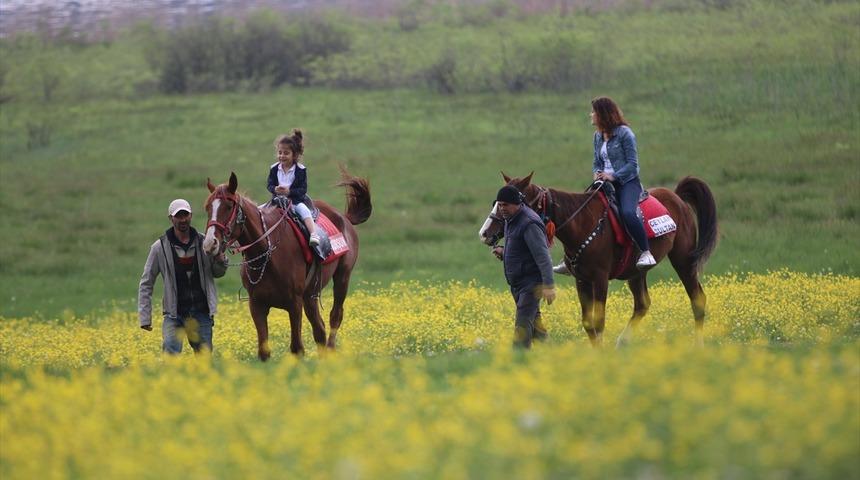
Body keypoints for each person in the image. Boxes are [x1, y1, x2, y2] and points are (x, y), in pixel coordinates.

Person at [554, 96, 655, 275]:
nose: (591, 115)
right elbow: (596, 161)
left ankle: (646, 252)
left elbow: (633, 165)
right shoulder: (597, 136)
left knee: (628, 213)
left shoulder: (625, 134)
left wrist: (612, 175)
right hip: (603, 182)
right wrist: (597, 175)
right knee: (582, 212)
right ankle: (569, 259)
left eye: (593, 111)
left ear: (603, 114)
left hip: (626, 182)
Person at [138, 198, 229, 354]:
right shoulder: (159, 247)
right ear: (171, 218)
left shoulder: (204, 242)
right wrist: (145, 317)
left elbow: (217, 273)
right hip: (174, 314)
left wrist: (221, 260)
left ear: (191, 216)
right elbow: (146, 283)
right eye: (178, 216)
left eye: (185, 215)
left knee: (204, 361)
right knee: (170, 358)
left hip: (202, 312)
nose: (182, 220)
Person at [490, 185, 556, 349]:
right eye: (499, 204)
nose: (502, 208)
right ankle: (554, 358)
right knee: (537, 330)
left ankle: (518, 363)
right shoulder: (510, 220)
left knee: (522, 330)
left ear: (517, 203)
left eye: (505, 205)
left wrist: (548, 285)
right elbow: (521, 251)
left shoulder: (529, 223)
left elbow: (543, 257)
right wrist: (504, 252)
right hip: (518, 284)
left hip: (531, 285)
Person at [267, 129, 320, 246]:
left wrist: (289, 192)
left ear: (294, 154)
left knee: (305, 211)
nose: (282, 156)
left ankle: (313, 234)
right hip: (276, 201)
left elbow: (302, 190)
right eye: (280, 152)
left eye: (286, 153)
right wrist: (274, 189)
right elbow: (269, 184)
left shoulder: (300, 170)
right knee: (259, 211)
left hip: (294, 202)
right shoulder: (274, 168)